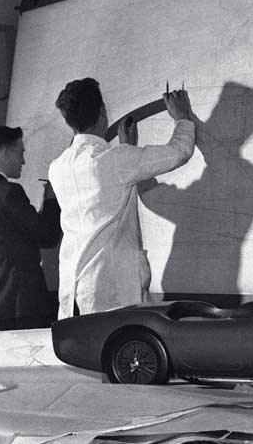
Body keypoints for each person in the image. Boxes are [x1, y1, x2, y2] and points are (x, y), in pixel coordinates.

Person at [48, 78, 195, 318]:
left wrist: (127, 148)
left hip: (73, 291)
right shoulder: (116, 160)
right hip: (112, 289)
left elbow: (108, 190)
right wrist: (182, 117)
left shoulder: (57, 167)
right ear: (103, 112)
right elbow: (179, 152)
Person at [0, 126, 61, 330]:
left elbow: (10, 237)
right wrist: (51, 199)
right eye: (20, 152)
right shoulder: (9, 192)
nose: (23, 161)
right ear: (5, 151)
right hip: (19, 305)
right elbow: (47, 235)